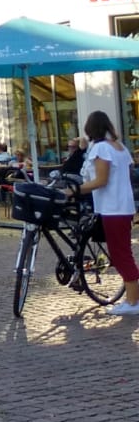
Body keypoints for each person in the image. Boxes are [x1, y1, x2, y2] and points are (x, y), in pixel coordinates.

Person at [72, 111, 137, 316]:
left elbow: (101, 180)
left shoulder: (101, 148)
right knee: (122, 252)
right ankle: (132, 298)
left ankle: (133, 302)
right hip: (123, 207)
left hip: (112, 208)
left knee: (120, 255)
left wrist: (74, 190)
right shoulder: (120, 147)